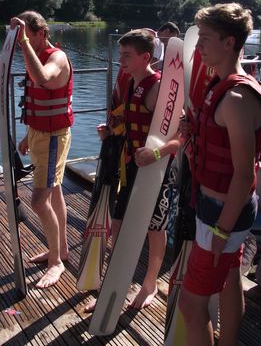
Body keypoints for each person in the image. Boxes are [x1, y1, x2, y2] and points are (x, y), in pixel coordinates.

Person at [178, 3, 261, 346]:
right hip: (219, 208)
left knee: (191, 304)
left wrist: (221, 229)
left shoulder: (235, 97)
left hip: (223, 215)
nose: (198, 46)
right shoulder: (219, 87)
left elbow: (243, 176)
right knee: (231, 280)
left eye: (205, 38)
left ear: (229, 42)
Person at [85, 29, 181, 312]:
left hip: (157, 173)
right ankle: (117, 282)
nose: (121, 60)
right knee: (117, 226)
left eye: (127, 55)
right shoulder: (128, 83)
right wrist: (111, 131)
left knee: (155, 228)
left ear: (145, 57)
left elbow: (182, 136)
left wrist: (157, 152)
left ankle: (150, 283)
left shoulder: (160, 89)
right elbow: (128, 121)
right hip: (130, 167)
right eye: (121, 54)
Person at [10, 11, 73, 289]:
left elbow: (43, 78)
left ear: (39, 33)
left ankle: (56, 262)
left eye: (26, 34)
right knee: (55, 190)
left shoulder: (56, 57)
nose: (23, 41)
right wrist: (28, 134)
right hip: (40, 134)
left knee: (38, 201)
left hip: (52, 138)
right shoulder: (33, 55)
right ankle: (61, 249)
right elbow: (38, 97)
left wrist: (22, 42)